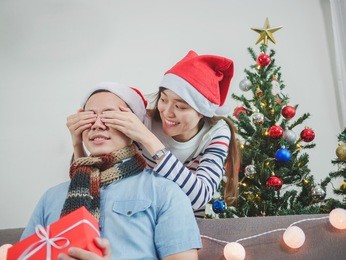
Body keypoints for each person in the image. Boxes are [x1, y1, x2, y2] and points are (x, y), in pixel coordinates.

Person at [21, 83, 202, 259]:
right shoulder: (50, 198)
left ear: (134, 127)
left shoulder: (165, 192)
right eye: (89, 117)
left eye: (110, 116)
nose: (97, 125)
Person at [68, 50, 241, 218]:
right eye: (163, 99)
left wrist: (147, 137)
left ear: (202, 112)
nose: (167, 112)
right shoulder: (144, 120)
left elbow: (199, 198)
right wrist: (77, 142)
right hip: (141, 216)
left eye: (180, 107)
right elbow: (93, 178)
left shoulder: (216, 133)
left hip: (188, 222)